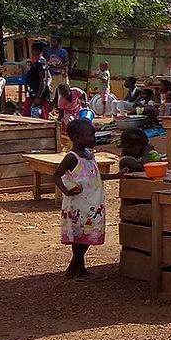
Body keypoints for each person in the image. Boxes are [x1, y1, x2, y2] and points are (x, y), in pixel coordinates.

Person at [53, 119, 106, 279]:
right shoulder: (72, 157)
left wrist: (116, 175)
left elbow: (94, 175)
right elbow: (56, 175)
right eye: (90, 135)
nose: (94, 139)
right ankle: (80, 270)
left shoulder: (90, 156)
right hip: (78, 205)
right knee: (79, 237)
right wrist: (66, 191)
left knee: (88, 236)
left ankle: (72, 268)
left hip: (93, 204)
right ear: (77, 138)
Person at [23, 41, 52, 119]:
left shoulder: (40, 63)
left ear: (34, 50)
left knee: (39, 118)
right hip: (32, 93)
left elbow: (43, 80)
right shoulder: (37, 63)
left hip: (38, 96)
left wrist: (38, 97)